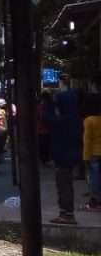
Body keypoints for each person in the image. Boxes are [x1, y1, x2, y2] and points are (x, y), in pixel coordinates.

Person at [50, 74, 82, 225]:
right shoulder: (74, 118)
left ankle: (67, 214)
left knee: (63, 184)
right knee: (64, 184)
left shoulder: (63, 121)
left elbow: (48, 118)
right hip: (69, 155)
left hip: (64, 156)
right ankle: (65, 213)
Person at [83, 93, 101, 211]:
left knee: (94, 178)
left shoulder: (89, 120)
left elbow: (87, 140)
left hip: (94, 153)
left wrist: (86, 156)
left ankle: (95, 201)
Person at [38, 90, 54, 166]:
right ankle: (45, 159)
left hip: (42, 129)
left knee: (43, 145)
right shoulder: (50, 105)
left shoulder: (42, 106)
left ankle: (44, 160)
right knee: (46, 145)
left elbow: (41, 117)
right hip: (47, 129)